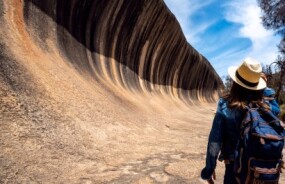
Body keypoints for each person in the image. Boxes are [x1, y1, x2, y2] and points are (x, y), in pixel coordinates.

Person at [201, 57, 270, 184]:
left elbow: (215, 141)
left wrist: (209, 169)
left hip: (235, 169)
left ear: (235, 82)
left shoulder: (226, 105)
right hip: (262, 171)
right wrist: (264, 88)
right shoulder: (265, 105)